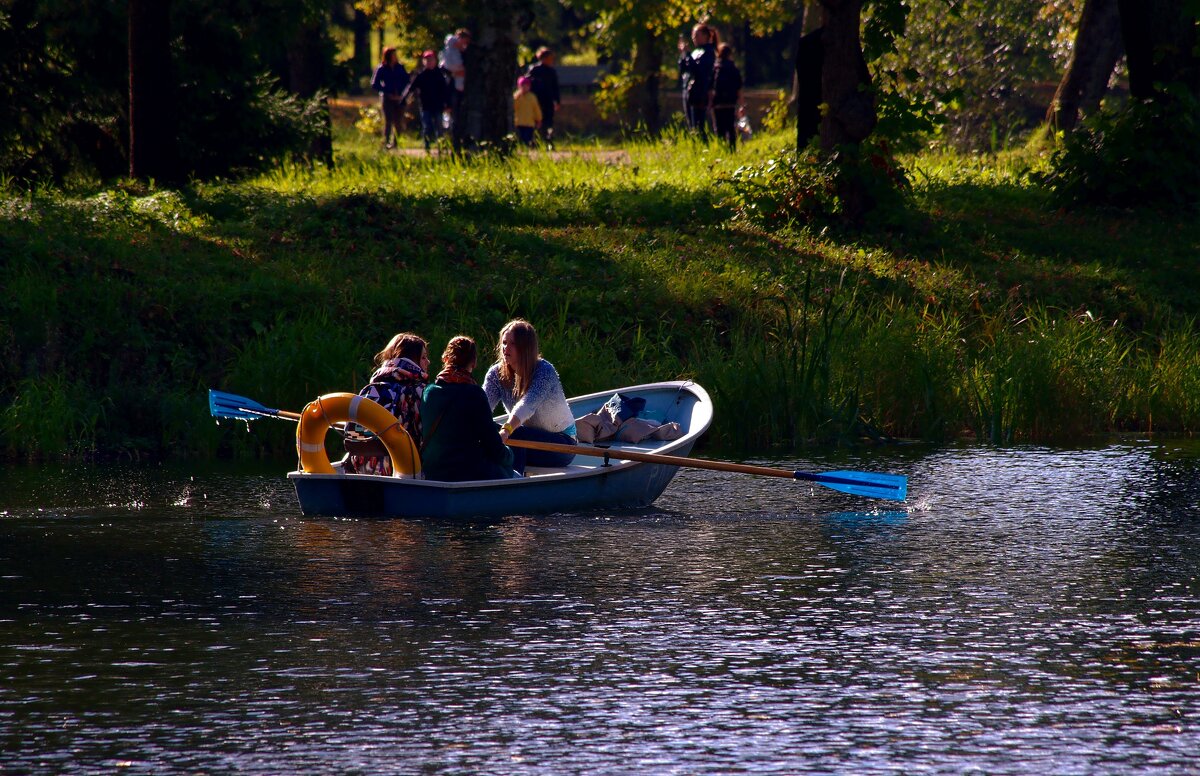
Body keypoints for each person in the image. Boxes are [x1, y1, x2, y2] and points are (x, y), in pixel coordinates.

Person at [483, 319, 577, 474]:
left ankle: (512, 482)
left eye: (513, 344)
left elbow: (527, 405)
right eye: (504, 343)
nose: (506, 348)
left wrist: (506, 430)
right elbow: (483, 407)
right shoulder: (496, 374)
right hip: (525, 440)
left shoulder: (544, 371)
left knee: (515, 433)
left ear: (525, 347)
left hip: (562, 445)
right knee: (485, 429)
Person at [421, 336, 519, 482]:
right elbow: (495, 448)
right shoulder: (475, 394)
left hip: (433, 472)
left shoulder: (429, 392)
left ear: (446, 359)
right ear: (473, 363)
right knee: (513, 472)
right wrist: (510, 455)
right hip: (466, 472)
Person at [349, 332, 429, 476]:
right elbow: (425, 437)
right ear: (412, 361)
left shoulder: (372, 387)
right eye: (423, 357)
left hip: (364, 469)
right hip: (402, 470)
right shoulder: (418, 391)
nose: (427, 362)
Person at [401, 50, 452, 152]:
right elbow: (411, 87)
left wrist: (448, 104)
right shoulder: (421, 75)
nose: (429, 62)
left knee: (439, 128)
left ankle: (441, 147)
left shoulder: (440, 75)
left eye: (431, 59)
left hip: (438, 106)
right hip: (425, 106)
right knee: (427, 127)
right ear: (424, 61)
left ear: (435, 60)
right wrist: (404, 98)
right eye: (427, 60)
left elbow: (446, 91)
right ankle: (427, 147)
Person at [678, 23, 718, 137]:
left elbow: (699, 72)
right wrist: (683, 55)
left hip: (700, 92)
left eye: (697, 35)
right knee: (691, 124)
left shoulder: (709, 53)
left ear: (706, 36)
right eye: (693, 35)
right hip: (689, 92)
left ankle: (703, 147)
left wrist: (688, 55)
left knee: (698, 124)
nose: (694, 38)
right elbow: (684, 70)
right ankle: (696, 147)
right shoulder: (696, 52)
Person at [371, 47, 410, 149]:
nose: (395, 57)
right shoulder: (382, 68)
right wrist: (386, 91)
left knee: (399, 121)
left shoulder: (400, 68)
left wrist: (402, 93)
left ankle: (396, 143)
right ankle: (386, 142)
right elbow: (374, 84)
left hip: (400, 98)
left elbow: (407, 81)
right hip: (388, 98)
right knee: (389, 121)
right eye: (393, 55)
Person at [525, 47, 561, 148]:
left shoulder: (552, 72)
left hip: (548, 100)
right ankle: (535, 141)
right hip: (537, 100)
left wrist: (557, 101)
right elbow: (527, 82)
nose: (551, 61)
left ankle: (548, 140)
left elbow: (555, 87)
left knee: (548, 121)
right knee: (537, 120)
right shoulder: (535, 70)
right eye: (549, 58)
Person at [440, 28, 471, 148]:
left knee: (459, 117)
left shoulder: (462, 52)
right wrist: (455, 73)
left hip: (460, 88)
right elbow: (446, 68)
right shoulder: (449, 51)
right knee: (452, 116)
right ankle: (452, 141)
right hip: (452, 89)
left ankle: (459, 140)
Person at [711, 43, 743, 151]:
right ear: (730, 54)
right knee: (730, 126)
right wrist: (740, 103)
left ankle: (722, 148)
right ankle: (732, 149)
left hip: (718, 102)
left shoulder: (716, 67)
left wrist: (710, 101)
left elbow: (711, 86)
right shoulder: (733, 68)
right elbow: (738, 86)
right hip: (730, 102)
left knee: (720, 127)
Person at [513, 76, 542, 148]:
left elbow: (536, 109)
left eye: (526, 86)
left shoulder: (532, 97)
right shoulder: (516, 96)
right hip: (519, 122)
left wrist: (539, 119)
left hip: (529, 123)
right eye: (522, 86)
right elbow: (514, 108)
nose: (524, 88)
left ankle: (528, 148)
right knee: (520, 138)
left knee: (528, 138)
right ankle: (521, 148)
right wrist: (517, 97)